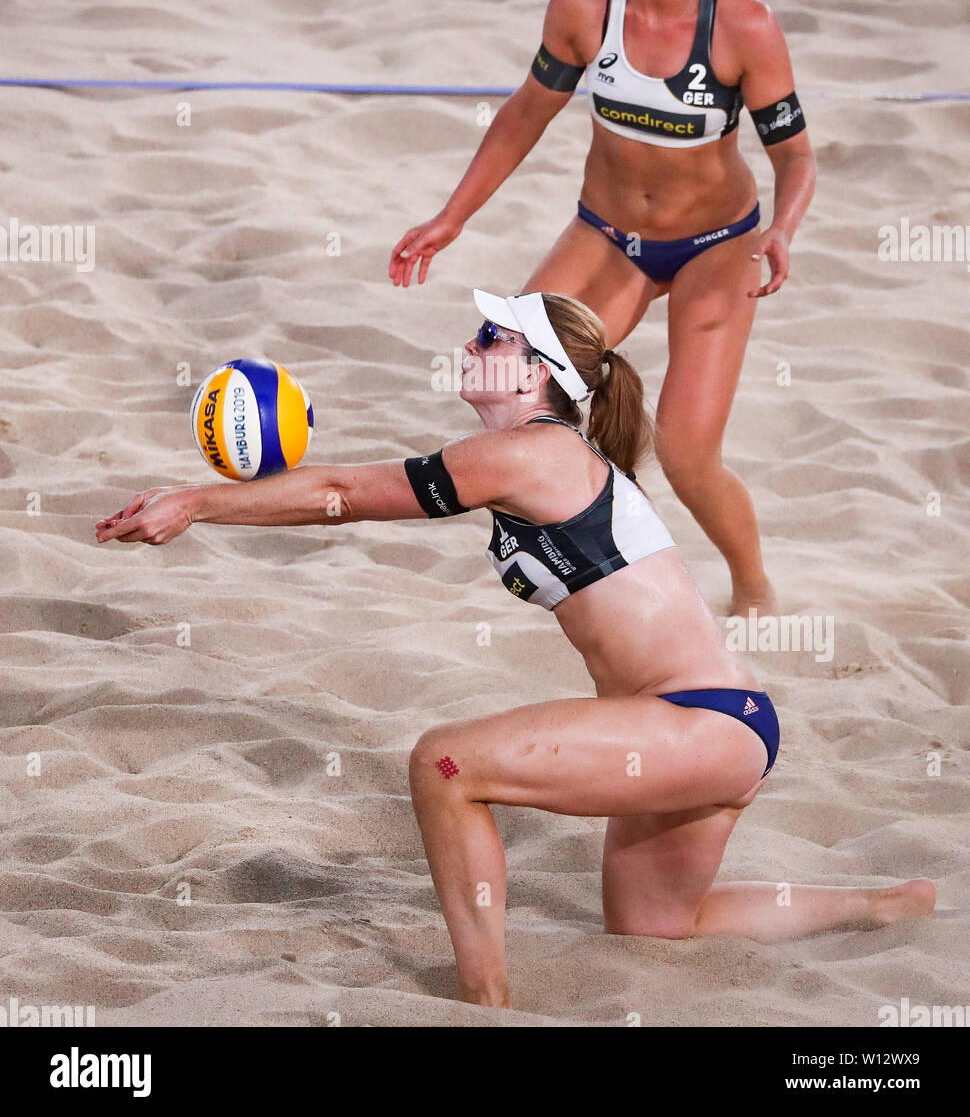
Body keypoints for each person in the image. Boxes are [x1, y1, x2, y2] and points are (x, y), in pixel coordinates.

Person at [97, 289, 933, 1011]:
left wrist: (198, 502)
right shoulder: (546, 455)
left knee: (446, 767)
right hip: (705, 726)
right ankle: (883, 904)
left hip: (698, 722)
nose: (470, 345)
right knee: (657, 926)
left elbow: (342, 495)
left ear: (536, 375)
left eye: (493, 339)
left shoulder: (532, 452)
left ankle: (484, 1001)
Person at [388, 0, 818, 618]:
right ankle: (579, 562)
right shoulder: (584, 4)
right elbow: (524, 113)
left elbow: (796, 158)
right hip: (607, 233)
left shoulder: (744, 27)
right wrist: (452, 217)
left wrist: (784, 228)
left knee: (687, 452)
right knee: (502, 377)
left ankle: (752, 585)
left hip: (716, 247)